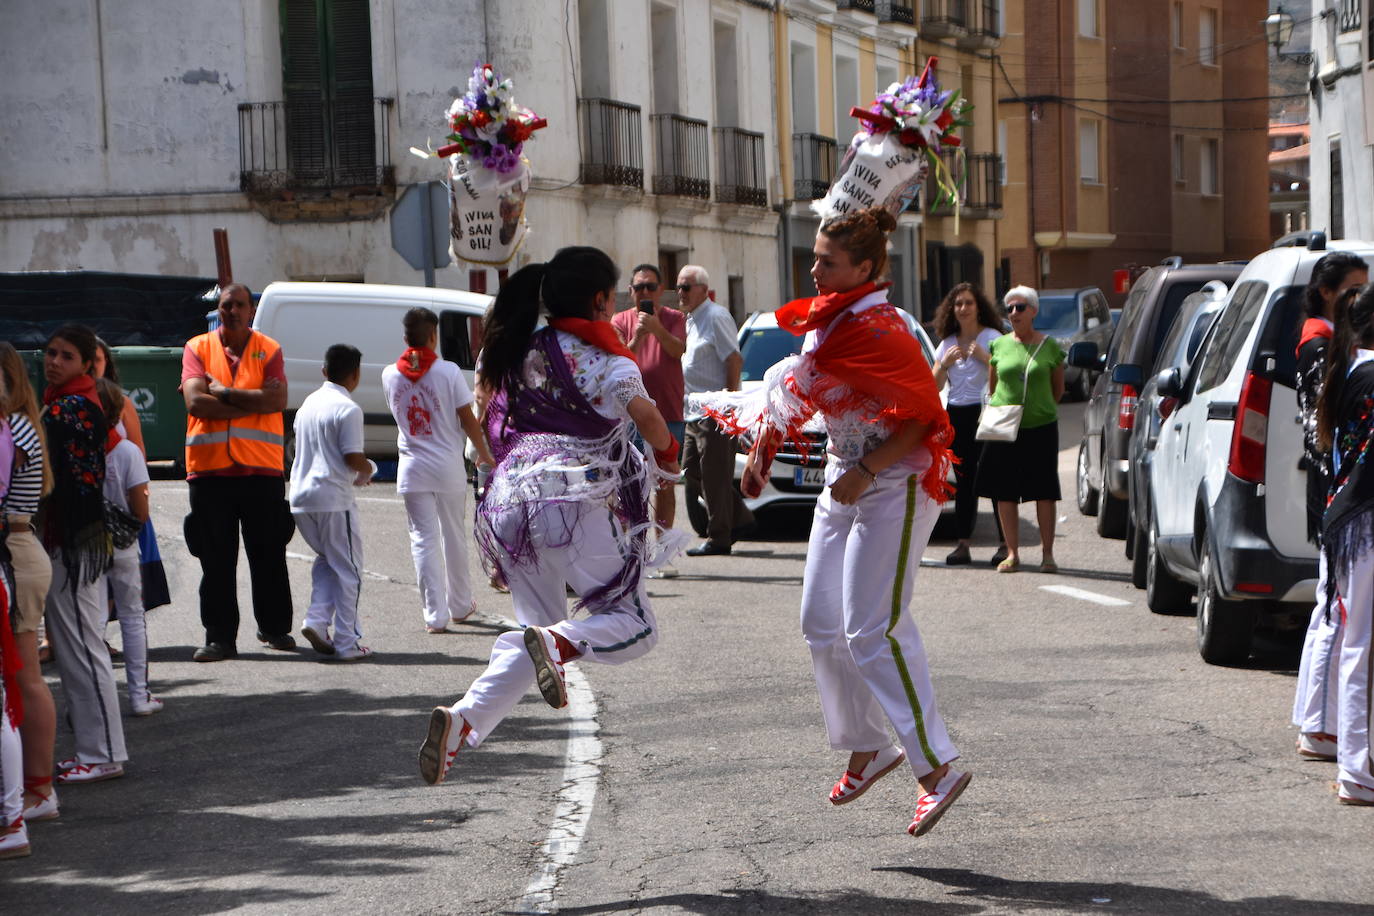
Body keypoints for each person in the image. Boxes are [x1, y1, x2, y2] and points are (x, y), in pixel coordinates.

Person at [700, 208, 968, 838]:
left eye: (828, 261)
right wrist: (761, 458)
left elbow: (924, 419)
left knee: (874, 629)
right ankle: (869, 746)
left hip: (895, 482)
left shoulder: (885, 328)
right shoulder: (830, 324)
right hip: (844, 480)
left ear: (867, 269)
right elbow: (802, 392)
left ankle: (938, 769)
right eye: (815, 257)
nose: (815, 269)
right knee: (821, 624)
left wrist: (869, 470)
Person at [417, 246, 678, 785]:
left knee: (531, 631)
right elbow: (652, 425)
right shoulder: (609, 360)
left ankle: (462, 721)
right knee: (636, 625)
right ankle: (560, 644)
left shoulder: (519, 348)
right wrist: (671, 463)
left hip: (510, 499)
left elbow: (492, 434)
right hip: (572, 496)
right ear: (603, 301)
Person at [181, 283, 295, 662]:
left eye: (239, 305)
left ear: (251, 310)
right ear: (220, 309)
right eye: (226, 305)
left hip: (260, 470)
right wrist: (254, 404)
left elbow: (278, 400)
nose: (232, 311)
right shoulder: (197, 348)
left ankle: (275, 628)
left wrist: (225, 395)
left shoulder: (270, 349)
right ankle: (219, 637)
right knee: (215, 559)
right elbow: (196, 401)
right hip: (210, 473)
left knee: (269, 553)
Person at [41, 325, 126, 784]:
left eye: (66, 355)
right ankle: (95, 749)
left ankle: (102, 752)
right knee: (76, 646)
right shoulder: (65, 401)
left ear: (87, 362)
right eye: (51, 353)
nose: (54, 361)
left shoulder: (70, 406)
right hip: (72, 541)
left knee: (82, 646)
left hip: (74, 544)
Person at [1292, 252, 1368, 762]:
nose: (1358, 297)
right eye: (1351, 290)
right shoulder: (1321, 343)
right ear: (1326, 291)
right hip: (1340, 491)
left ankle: (1317, 724)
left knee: (1334, 613)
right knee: (1337, 616)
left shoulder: (1332, 345)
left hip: (1339, 488)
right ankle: (1320, 727)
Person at [382, 308, 495, 634]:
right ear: (433, 336)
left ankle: (434, 615)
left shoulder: (390, 374)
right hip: (446, 466)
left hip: (412, 466)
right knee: (452, 535)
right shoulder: (447, 373)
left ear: (405, 338)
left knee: (422, 539)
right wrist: (484, 453)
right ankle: (460, 604)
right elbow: (468, 418)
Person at [1313, 282, 1374, 806]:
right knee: (1361, 645)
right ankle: (1357, 770)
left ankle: (1356, 764)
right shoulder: (1368, 372)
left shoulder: (1350, 368)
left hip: (1350, 520)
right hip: (1363, 523)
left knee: (1356, 642)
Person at [0, 343, 58, 820]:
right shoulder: (22, 423)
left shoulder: (14, 427)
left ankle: (39, 790)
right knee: (24, 677)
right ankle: (35, 788)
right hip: (21, 546)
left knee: (25, 676)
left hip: (17, 549)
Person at [289, 344, 375, 661]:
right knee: (349, 570)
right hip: (332, 498)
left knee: (328, 560)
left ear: (324, 371)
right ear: (355, 375)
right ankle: (347, 642)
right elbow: (352, 457)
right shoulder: (347, 408)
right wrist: (369, 470)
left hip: (300, 497)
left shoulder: (308, 405)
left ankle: (316, 619)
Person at [974, 286, 1066, 573]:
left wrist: (1038, 407)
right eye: (1010, 308)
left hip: (1041, 428)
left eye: (1021, 307)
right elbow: (994, 388)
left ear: (1034, 311)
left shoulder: (1050, 346)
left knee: (1044, 491)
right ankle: (1012, 553)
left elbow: (1058, 390)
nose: (1014, 313)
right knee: (1005, 492)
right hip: (1005, 429)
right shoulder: (999, 346)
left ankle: (1047, 554)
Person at [612, 263, 687, 578]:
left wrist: (656, 328)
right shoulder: (619, 321)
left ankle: (665, 551)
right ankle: (634, 552)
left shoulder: (675, 318)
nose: (644, 293)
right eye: (638, 287)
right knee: (631, 483)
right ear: (630, 292)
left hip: (668, 412)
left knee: (666, 484)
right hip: (632, 416)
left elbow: (678, 350)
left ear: (660, 290)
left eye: (650, 287)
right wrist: (639, 336)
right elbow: (619, 359)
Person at [95, 380, 160, 716]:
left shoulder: (79, 452)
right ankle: (139, 695)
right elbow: (141, 511)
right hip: (122, 545)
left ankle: (95, 698)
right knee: (132, 618)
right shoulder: (127, 452)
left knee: (90, 624)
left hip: (85, 546)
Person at [931, 282, 1006, 566]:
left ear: (979, 307)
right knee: (963, 482)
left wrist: (984, 357)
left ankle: (1003, 545)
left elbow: (1005, 372)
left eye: (968, 303)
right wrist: (944, 365)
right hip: (957, 414)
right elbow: (935, 385)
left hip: (985, 412)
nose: (963, 308)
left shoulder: (992, 337)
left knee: (994, 478)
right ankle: (963, 544)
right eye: (958, 304)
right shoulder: (947, 343)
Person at [679, 265, 751, 556]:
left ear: (703, 290)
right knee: (692, 471)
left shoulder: (716, 316)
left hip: (716, 410)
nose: (680, 293)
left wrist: (728, 407)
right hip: (693, 410)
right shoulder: (691, 319)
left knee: (714, 475)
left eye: (686, 287)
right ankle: (741, 518)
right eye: (679, 287)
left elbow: (734, 360)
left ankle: (719, 537)